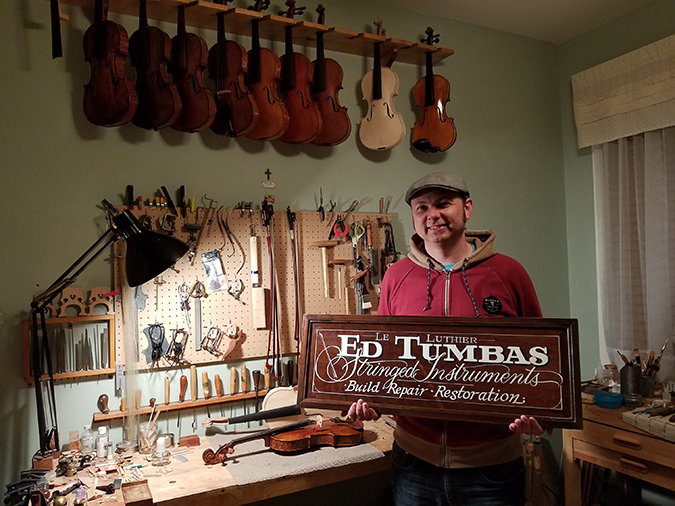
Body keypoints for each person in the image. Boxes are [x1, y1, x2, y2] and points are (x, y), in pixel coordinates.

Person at [347, 172, 550, 506]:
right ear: (413, 216)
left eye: (443, 204)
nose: (433, 215)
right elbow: (381, 357)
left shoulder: (510, 273)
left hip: (491, 467)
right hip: (414, 462)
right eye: (422, 207)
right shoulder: (396, 276)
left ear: (467, 208)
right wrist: (370, 400)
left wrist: (539, 411)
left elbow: (542, 355)